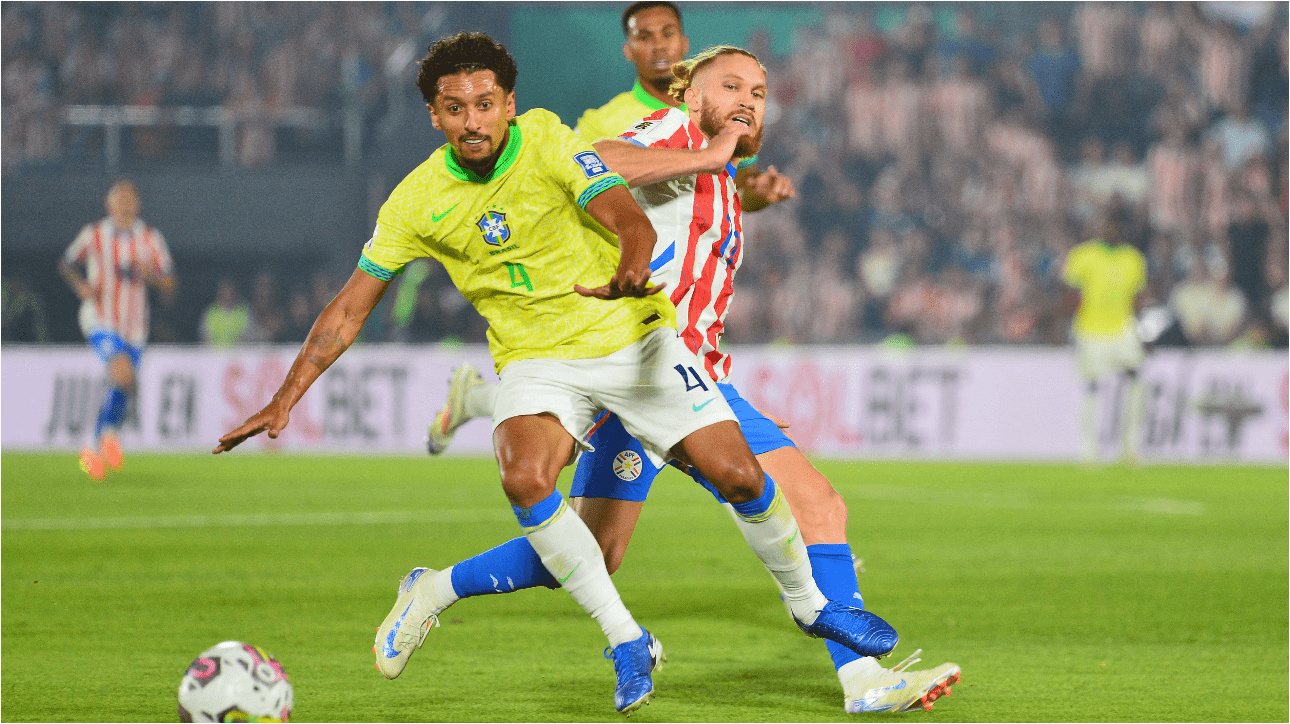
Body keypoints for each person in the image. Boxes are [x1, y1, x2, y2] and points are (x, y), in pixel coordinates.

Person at [211, 33, 897, 715]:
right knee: (538, 486)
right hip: (545, 360)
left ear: (508, 104)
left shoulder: (577, 143)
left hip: (641, 345)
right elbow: (348, 309)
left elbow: (632, 216)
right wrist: (285, 397)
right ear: (436, 116)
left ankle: (439, 585)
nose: (473, 120)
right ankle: (818, 671)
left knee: (686, 507)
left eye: (485, 103)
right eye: (456, 108)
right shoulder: (426, 197)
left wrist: (673, 230)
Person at [422, 46, 958, 715]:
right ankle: (436, 587)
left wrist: (744, 193)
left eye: (759, 92)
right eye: (729, 86)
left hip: (697, 379)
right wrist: (710, 157)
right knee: (595, 553)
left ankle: (865, 683)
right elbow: (600, 162)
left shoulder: (722, 170)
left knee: (818, 506)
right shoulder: (674, 136)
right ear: (689, 96)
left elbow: (690, 232)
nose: (747, 101)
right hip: (632, 369)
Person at [574, 1, 794, 211]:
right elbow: (581, 187)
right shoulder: (596, 124)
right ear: (628, 50)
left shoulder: (726, 109)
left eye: (668, 34)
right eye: (644, 37)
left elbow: (740, 193)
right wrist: (705, 159)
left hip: (708, 251)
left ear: (684, 42)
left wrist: (759, 195)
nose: (659, 46)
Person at [58, 180, 176, 481]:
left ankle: (102, 439)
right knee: (122, 372)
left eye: (129, 198)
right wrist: (81, 286)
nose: (124, 203)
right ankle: (99, 439)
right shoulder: (94, 234)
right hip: (101, 319)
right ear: (108, 203)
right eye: (118, 198)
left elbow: (170, 283)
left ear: (138, 203)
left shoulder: (150, 238)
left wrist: (153, 277)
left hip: (135, 327)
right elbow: (67, 263)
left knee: (126, 383)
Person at [1062, 204, 1148, 463]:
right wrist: (1066, 325)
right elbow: (1069, 293)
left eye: (1114, 225)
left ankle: (1130, 447)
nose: (1108, 229)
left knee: (1135, 379)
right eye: (1104, 224)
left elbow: (1138, 299)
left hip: (1123, 327)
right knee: (1092, 386)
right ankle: (1089, 450)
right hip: (1091, 329)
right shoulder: (1083, 255)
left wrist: (1142, 333)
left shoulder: (1133, 258)